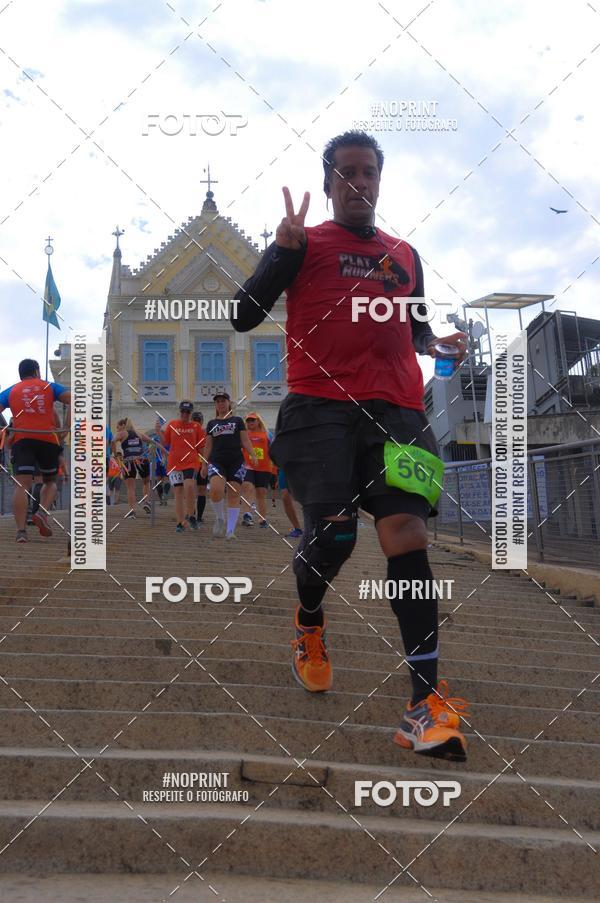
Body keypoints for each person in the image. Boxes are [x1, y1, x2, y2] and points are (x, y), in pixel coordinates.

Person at [232, 130, 470, 762]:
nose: (360, 182)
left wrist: (437, 345)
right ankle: (309, 619)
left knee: (407, 536)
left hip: (399, 409)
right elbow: (242, 315)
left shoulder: (405, 254)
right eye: (348, 173)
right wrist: (279, 255)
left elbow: (414, 328)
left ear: (379, 181)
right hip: (320, 407)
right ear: (331, 182)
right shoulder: (304, 242)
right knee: (335, 535)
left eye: (370, 172)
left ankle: (425, 704)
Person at [0, 358, 70, 542]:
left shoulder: (12, 390)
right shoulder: (48, 386)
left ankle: (21, 532)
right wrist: (65, 429)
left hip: (22, 439)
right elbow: (75, 400)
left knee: (21, 485)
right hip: (47, 438)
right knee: (50, 481)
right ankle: (42, 513)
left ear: (20, 374)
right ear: (37, 371)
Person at [201, 392, 258, 539]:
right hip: (217, 461)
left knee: (234, 494)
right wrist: (204, 464)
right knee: (215, 491)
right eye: (218, 401)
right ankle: (220, 518)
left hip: (236, 462)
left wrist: (252, 454)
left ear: (229, 403)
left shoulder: (238, 420)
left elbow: (245, 441)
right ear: (215, 405)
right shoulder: (212, 424)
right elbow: (208, 446)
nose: (220, 403)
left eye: (223, 401)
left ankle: (230, 530)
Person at [158, 401, 205, 533]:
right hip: (174, 462)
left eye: (187, 412)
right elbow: (166, 442)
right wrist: (158, 431)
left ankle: (191, 515)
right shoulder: (172, 424)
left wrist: (206, 463)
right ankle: (180, 522)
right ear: (180, 412)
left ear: (190, 413)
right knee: (178, 492)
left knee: (189, 486)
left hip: (191, 461)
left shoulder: (196, 427)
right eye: (183, 411)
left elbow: (201, 447)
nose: (185, 414)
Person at [112, 418, 155, 517]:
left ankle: (132, 512)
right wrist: (148, 452)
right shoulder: (138, 433)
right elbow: (152, 442)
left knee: (131, 488)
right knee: (146, 482)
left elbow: (112, 441)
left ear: (123, 425)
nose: (117, 429)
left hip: (129, 461)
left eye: (118, 427)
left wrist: (115, 455)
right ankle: (146, 501)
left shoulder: (122, 433)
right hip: (142, 459)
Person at [240, 412, 274, 528]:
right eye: (248, 421)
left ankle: (262, 519)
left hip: (264, 468)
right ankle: (247, 515)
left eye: (252, 420)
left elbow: (273, 449)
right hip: (248, 466)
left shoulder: (267, 434)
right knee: (247, 487)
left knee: (261, 494)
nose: (250, 423)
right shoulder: (244, 435)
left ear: (258, 421)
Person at [191, 412, 208, 522]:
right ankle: (195, 515)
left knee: (196, 490)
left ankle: (196, 516)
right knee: (196, 490)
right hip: (194, 464)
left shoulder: (204, 434)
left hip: (197, 464)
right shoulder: (189, 433)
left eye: (198, 420)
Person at [278, 469, 303, 539]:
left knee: (308, 496)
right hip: (286, 466)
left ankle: (314, 527)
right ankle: (297, 528)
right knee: (285, 495)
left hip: (306, 465)